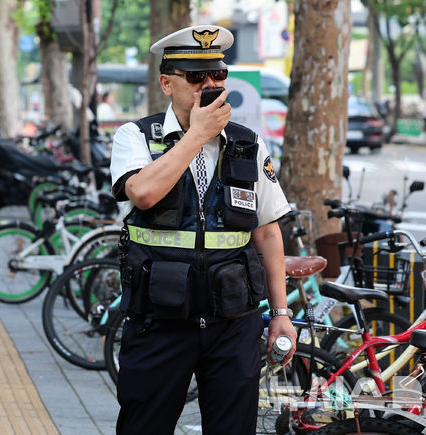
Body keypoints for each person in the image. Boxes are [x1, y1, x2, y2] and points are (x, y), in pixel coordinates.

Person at [109, 25, 297, 435]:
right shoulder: (136, 137)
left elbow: (267, 232)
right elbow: (141, 193)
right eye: (196, 77)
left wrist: (280, 314)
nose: (209, 85)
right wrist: (196, 135)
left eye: (218, 75)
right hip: (158, 321)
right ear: (166, 83)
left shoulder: (247, 144)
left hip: (233, 323)